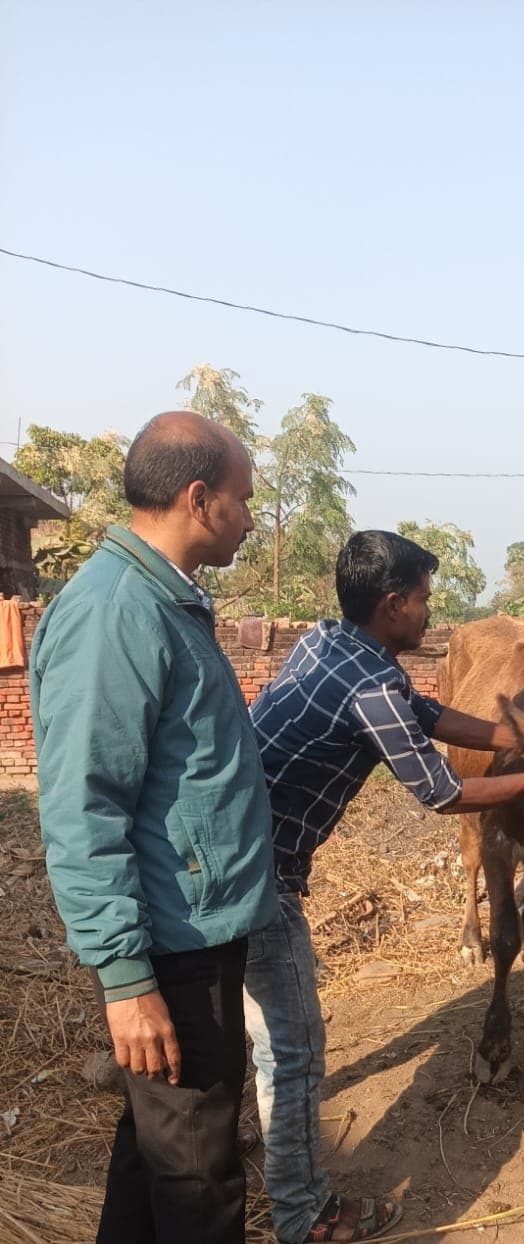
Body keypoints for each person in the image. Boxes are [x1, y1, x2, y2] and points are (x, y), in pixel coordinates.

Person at [244, 530, 524, 1244]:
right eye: (422, 599)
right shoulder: (371, 685)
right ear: (392, 604)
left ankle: (242, 1134)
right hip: (257, 872)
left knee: (248, 1019)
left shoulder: (329, 643)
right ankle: (304, 1214)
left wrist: (521, 737)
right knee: (295, 1048)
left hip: (224, 845)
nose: (429, 611)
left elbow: (426, 715)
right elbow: (443, 793)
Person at [30, 411, 277, 1244]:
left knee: (160, 1152)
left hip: (195, 927)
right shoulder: (115, 614)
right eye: (244, 499)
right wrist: (127, 981)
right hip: (170, 949)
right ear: (200, 499)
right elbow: (82, 808)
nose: (251, 519)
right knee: (197, 1178)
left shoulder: (163, 602)